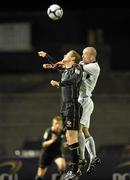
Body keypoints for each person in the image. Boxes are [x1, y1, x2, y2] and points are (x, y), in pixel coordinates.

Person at [38, 50, 83, 180]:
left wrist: (59, 84)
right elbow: (57, 65)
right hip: (64, 107)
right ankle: (76, 165)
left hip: (72, 106)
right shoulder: (65, 71)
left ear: (73, 59)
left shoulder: (77, 69)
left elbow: (73, 80)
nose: (63, 56)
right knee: (69, 139)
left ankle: (75, 168)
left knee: (71, 136)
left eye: (66, 55)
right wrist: (47, 56)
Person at [78, 47, 101, 174]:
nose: (82, 57)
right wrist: (55, 64)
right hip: (84, 101)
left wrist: (66, 62)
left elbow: (75, 66)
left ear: (92, 57)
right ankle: (93, 157)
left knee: (78, 128)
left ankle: (81, 158)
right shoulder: (83, 64)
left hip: (84, 101)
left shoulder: (94, 67)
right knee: (85, 130)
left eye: (84, 55)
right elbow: (74, 64)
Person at [35, 115, 67, 180]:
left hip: (57, 153)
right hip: (47, 153)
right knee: (40, 175)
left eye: (59, 124)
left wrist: (66, 143)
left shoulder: (62, 131)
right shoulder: (49, 131)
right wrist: (52, 141)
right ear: (53, 124)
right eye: (56, 124)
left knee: (62, 166)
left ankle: (58, 178)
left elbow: (64, 140)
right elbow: (44, 144)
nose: (57, 125)